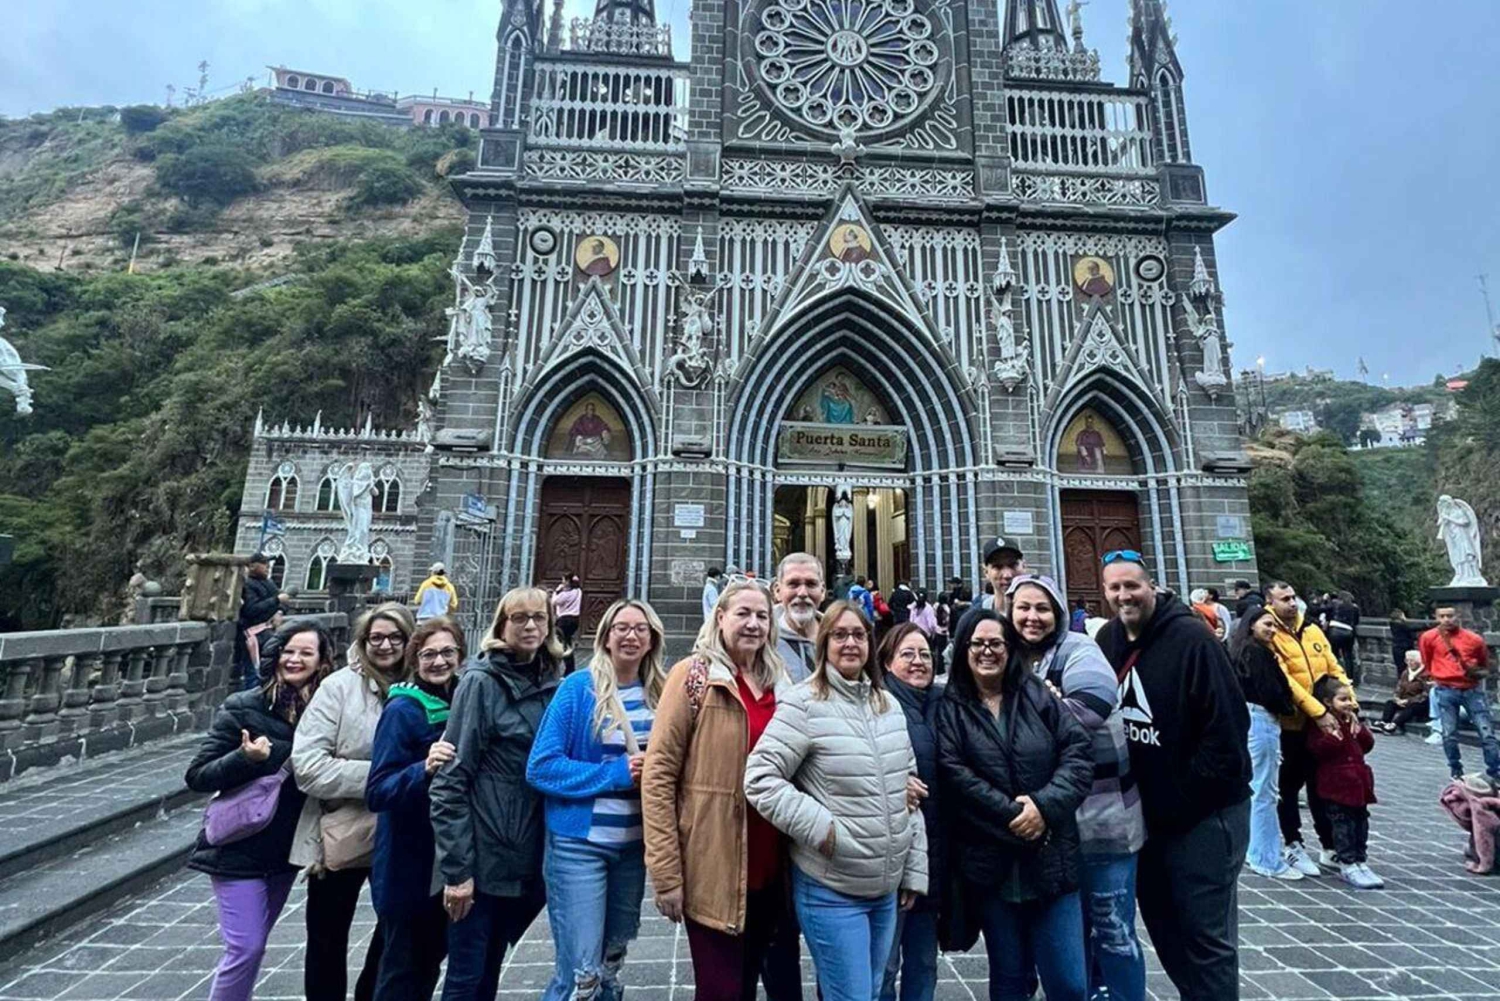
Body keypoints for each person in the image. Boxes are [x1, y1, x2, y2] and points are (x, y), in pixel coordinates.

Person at [745, 602, 928, 1001]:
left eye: (859, 635)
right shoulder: (803, 703)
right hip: (832, 887)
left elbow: (909, 791)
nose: (850, 643)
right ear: (823, 644)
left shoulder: (888, 705)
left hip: (885, 889)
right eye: (839, 635)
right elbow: (759, 778)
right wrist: (823, 829)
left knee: (872, 991)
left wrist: (914, 868)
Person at [1094, 552, 1251, 1001]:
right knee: (1165, 928)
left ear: (1152, 586)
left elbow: (1227, 737)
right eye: (1114, 587)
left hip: (1204, 819)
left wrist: (1178, 802)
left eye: (1132, 585)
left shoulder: (1193, 640)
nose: (1124, 595)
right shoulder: (1107, 640)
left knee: (1205, 940)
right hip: (1149, 821)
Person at [641, 580, 793, 1001]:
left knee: (747, 984)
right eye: (743, 613)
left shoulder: (781, 683)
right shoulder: (692, 677)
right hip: (714, 866)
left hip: (771, 865)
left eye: (762, 615)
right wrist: (666, 874)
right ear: (720, 617)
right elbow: (658, 775)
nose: (753, 624)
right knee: (720, 991)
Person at [936, 609, 1093, 1001]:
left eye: (996, 643)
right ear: (963, 649)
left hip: (1052, 858)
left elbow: (1077, 751)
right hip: (993, 867)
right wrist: (1018, 816)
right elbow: (954, 773)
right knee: (1009, 978)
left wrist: (1043, 806)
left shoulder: (1037, 693)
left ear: (1010, 649)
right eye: (977, 643)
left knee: (1070, 982)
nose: (987, 651)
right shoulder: (949, 706)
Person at [1006, 575, 1146, 1001]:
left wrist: (1025, 709)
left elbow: (1091, 706)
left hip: (1103, 825)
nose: (1032, 617)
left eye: (1042, 608)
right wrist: (1048, 699)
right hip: (1053, 832)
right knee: (1067, 938)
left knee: (1113, 930)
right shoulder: (1011, 657)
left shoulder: (1080, 649)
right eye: (1023, 608)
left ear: (1060, 613)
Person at [527, 599, 667, 1001]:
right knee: (580, 975)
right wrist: (615, 774)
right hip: (579, 847)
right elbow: (541, 767)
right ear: (605, 636)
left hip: (633, 849)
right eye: (621, 628)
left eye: (640, 629)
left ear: (652, 639)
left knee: (609, 965)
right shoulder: (577, 689)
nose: (631, 636)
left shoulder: (661, 693)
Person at [185, 620, 333, 1001]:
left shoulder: (326, 710)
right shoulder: (245, 705)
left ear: (321, 661)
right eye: (288, 651)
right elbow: (198, 775)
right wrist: (245, 758)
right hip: (237, 848)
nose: (295, 659)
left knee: (254, 947)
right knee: (245, 948)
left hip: (283, 854)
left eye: (306, 652)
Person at [431, 587, 564, 1000]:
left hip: (523, 855)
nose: (530, 626)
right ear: (501, 625)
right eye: (518, 618)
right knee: (466, 977)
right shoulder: (480, 682)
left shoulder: (553, 680)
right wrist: (458, 872)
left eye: (539, 618)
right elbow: (450, 780)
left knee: (487, 970)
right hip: (482, 856)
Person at [292, 602, 414, 1001]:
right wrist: (384, 778)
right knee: (327, 936)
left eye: (395, 637)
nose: (385, 645)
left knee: (395, 931)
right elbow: (307, 766)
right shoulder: (338, 687)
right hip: (340, 829)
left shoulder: (425, 686)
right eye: (375, 638)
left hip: (401, 830)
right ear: (362, 641)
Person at [365, 617, 462, 1001]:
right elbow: (378, 791)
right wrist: (423, 768)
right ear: (414, 660)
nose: (439, 661)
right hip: (408, 863)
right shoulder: (403, 709)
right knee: (400, 972)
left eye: (448, 652)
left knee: (426, 965)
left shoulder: (461, 700)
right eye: (428, 654)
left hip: (446, 858)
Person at [1263, 581, 1349, 877]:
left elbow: (1334, 667)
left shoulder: (1311, 628)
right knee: (1288, 787)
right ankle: (1293, 843)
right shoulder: (1269, 632)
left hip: (1322, 721)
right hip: (1292, 722)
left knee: (1321, 784)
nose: (1291, 603)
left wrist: (1348, 702)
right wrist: (1318, 711)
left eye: (1292, 598)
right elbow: (1286, 680)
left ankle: (1329, 845)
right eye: (1284, 599)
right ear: (1270, 602)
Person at [875, 625, 942, 1001]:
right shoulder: (874, 705)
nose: (918, 662)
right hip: (891, 855)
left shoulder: (944, 702)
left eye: (925, 654)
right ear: (887, 662)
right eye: (907, 654)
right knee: (884, 965)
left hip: (934, 856)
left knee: (924, 962)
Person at [1229, 607, 1302, 881]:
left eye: (1274, 626)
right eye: (1267, 624)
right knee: (1265, 790)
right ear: (1251, 624)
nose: (1272, 630)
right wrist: (1288, 706)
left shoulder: (1240, 651)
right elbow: (1271, 691)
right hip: (1262, 719)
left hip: (1248, 718)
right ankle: (1266, 858)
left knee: (1256, 787)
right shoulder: (1257, 653)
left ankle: (1254, 850)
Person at [1305, 675, 1384, 888]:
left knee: (1361, 823)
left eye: (1350, 699)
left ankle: (1360, 860)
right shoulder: (1322, 725)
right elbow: (1317, 750)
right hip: (1337, 785)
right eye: (1343, 699)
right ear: (1328, 702)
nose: (1349, 703)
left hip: (1358, 783)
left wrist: (1361, 732)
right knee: (1343, 825)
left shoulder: (1352, 722)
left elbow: (1366, 746)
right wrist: (1334, 738)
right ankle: (1347, 862)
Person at [1419, 605, 1500, 785]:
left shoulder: (1473, 639)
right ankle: (1456, 769)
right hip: (1446, 688)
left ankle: (1495, 770)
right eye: (1442, 616)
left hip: (1471, 689)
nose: (1446, 619)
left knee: (1486, 732)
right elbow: (1427, 661)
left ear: (1458, 616)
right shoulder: (1429, 637)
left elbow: (1483, 662)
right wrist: (1439, 676)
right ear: (1436, 617)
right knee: (1449, 733)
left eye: (1450, 616)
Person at [236, 553, 286, 690]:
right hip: (252, 633)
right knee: (253, 673)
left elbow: (281, 600)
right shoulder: (248, 584)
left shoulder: (269, 583)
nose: (267, 567)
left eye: (268, 564)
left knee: (269, 672)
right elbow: (250, 610)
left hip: (268, 632)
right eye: (264, 564)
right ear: (252, 566)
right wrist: (276, 601)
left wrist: (279, 611)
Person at [775, 552, 826, 684]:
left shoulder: (840, 638)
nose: (802, 593)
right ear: (777, 591)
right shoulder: (763, 641)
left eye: (811, 584)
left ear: (822, 591)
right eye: (793, 584)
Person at [1376, 651, 1432, 735]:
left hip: (1419, 703)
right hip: (1404, 700)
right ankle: (1384, 722)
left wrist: (1408, 701)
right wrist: (1397, 698)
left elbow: (1425, 694)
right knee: (1390, 703)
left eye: (1412, 661)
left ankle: (1394, 725)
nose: (1409, 663)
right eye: (1407, 660)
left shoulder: (1426, 674)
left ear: (1418, 661)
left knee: (1412, 708)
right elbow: (1399, 687)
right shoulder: (1406, 672)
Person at [1326, 592, 1361, 686]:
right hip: (1348, 631)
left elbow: (1327, 615)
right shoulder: (1354, 607)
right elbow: (1356, 621)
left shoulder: (1334, 603)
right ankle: (1350, 679)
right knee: (1348, 656)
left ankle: (1335, 676)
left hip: (1335, 630)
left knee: (1333, 654)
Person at [553, 574, 583, 647]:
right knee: (567, 639)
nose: (562, 582)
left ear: (567, 582)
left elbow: (554, 602)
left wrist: (556, 591)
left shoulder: (564, 595)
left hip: (564, 620)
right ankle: (569, 652)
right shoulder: (578, 591)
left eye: (563, 580)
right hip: (575, 619)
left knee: (560, 639)